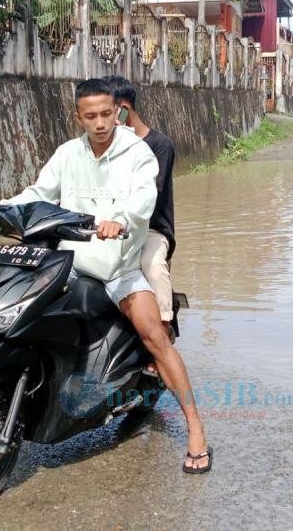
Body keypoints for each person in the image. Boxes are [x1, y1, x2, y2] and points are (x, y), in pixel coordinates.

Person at [0, 79, 212, 474]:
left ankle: (195, 427)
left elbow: (143, 199)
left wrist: (120, 220)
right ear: (78, 117)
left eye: (105, 114)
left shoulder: (138, 153)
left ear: (117, 112)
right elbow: (39, 192)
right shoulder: (68, 154)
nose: (100, 123)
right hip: (68, 261)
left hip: (119, 267)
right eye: (90, 116)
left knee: (155, 337)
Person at [103, 76, 175, 377]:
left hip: (152, 229)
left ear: (123, 108)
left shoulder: (159, 146)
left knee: (153, 266)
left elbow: (147, 196)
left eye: (107, 111)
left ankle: (164, 333)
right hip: (110, 227)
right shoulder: (106, 146)